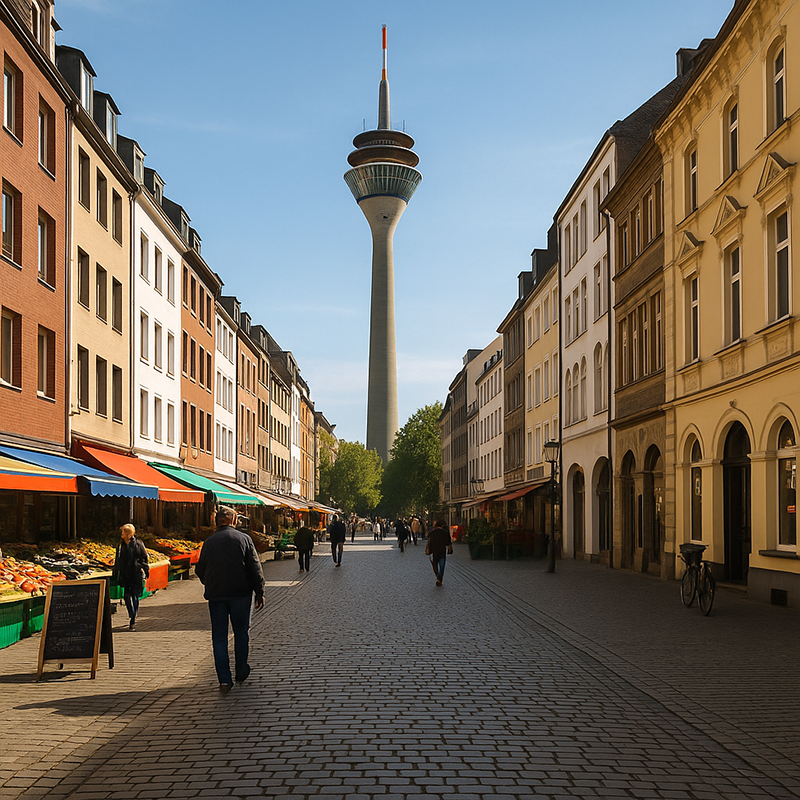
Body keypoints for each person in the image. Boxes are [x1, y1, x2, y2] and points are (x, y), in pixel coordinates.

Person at [196, 506, 265, 693]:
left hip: (217, 595)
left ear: (217, 521)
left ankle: (224, 680)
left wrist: (209, 583)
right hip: (240, 594)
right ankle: (241, 670)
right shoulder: (244, 539)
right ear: (234, 521)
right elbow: (255, 567)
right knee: (241, 632)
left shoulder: (209, 542)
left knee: (219, 637)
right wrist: (259, 591)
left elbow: (199, 569)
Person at [112, 523, 149, 631]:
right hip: (125, 574)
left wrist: (143, 569)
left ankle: (133, 618)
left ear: (128, 534)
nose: (121, 533)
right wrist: (116, 572)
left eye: (123, 531)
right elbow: (117, 560)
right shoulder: (120, 546)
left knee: (135, 595)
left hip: (135, 573)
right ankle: (132, 613)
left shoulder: (138, 544)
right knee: (126, 596)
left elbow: (144, 558)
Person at [427, 519, 453, 586]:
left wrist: (429, 550)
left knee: (435, 564)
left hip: (435, 552)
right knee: (442, 566)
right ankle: (439, 578)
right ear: (442, 525)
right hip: (442, 551)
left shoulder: (432, 532)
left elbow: (430, 542)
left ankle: (438, 577)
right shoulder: (445, 532)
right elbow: (448, 542)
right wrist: (449, 548)